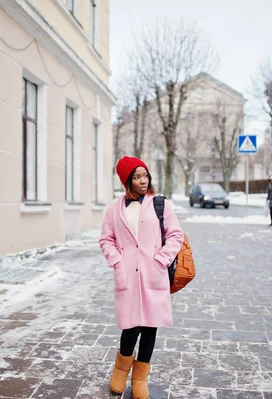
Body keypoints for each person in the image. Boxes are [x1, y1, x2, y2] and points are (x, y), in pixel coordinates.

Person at [99, 156, 183, 399]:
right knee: (130, 326)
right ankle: (120, 371)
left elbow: (176, 235)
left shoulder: (160, 205)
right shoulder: (114, 210)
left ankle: (139, 379)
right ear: (127, 181)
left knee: (149, 327)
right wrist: (117, 261)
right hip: (127, 276)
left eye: (145, 175)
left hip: (154, 274)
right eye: (136, 177)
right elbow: (106, 239)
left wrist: (161, 259)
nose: (143, 181)